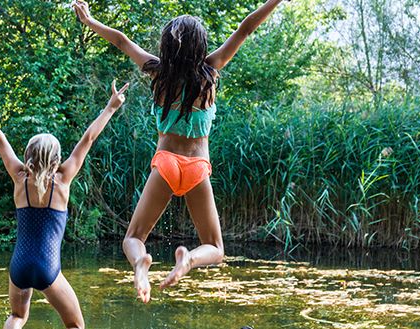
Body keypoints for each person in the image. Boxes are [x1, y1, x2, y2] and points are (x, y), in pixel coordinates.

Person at [73, 0, 287, 303]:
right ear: (200, 46)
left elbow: (121, 40)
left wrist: (90, 21)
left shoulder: (158, 74)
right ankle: (188, 260)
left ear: (166, 46)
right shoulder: (210, 73)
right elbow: (245, 29)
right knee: (214, 247)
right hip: (198, 167)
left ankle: (140, 264)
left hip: (166, 164)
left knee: (133, 238)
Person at [0, 80, 129, 329]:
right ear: (55, 159)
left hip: (19, 265)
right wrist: (111, 106)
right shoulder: (64, 177)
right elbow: (88, 138)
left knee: (17, 316)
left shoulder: (18, 176)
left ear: (28, 155)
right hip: (47, 267)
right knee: (75, 325)